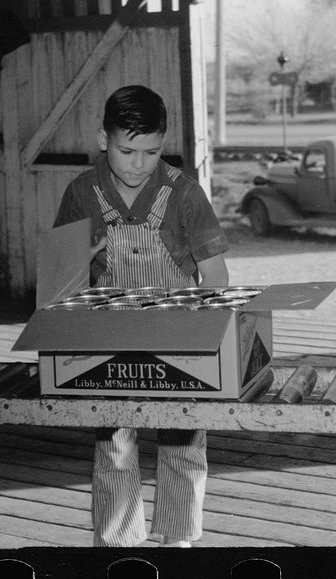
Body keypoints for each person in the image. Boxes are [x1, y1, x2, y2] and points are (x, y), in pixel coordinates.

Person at [53, 85, 229, 548]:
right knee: (114, 439)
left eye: (150, 152)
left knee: (182, 433)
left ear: (163, 143)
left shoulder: (185, 194)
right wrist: (76, 261)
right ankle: (116, 542)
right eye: (126, 150)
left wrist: (215, 334)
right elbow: (60, 280)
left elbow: (214, 273)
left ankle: (179, 538)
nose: (137, 163)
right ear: (102, 139)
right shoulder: (81, 194)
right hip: (109, 332)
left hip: (177, 330)